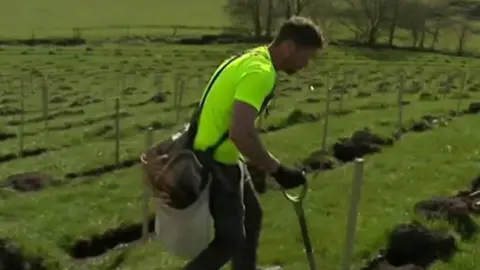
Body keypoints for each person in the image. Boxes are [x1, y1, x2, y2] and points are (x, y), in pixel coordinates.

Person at [184, 16, 325, 270]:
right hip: (215, 161)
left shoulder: (252, 57)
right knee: (230, 240)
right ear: (290, 47)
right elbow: (241, 132)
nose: (306, 65)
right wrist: (277, 170)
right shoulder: (261, 74)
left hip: (221, 154)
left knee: (251, 217)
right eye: (307, 56)